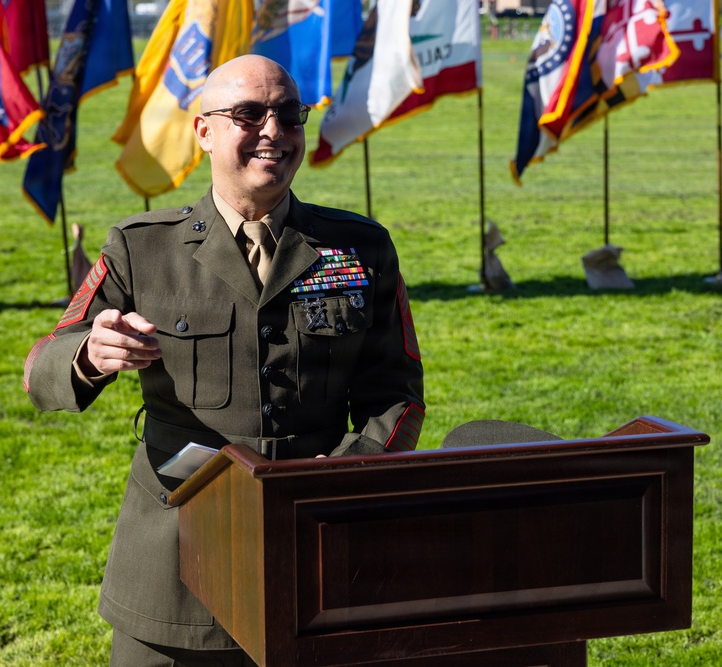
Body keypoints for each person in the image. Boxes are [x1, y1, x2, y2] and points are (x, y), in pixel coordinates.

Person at [23, 54, 425, 666]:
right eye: (248, 114)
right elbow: (41, 371)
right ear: (204, 132)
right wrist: (90, 354)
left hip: (318, 546)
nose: (273, 131)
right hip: (177, 556)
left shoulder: (359, 247)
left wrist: (350, 473)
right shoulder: (142, 248)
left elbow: (396, 393)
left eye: (289, 115)